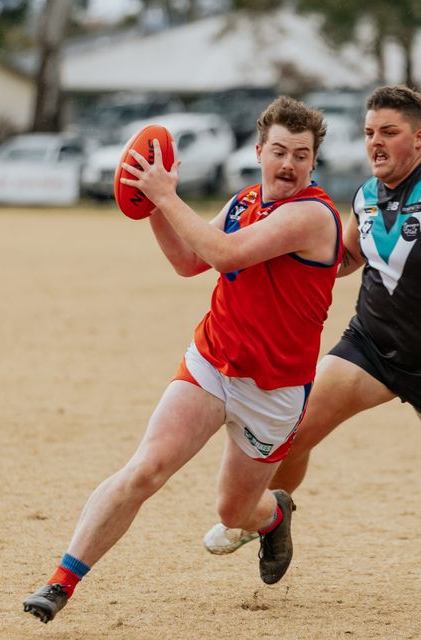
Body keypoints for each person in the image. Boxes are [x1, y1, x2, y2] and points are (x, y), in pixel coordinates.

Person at [203, 85, 421, 593]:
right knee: (290, 430)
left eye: (389, 132)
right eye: (368, 133)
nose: (376, 143)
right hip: (371, 347)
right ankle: (264, 516)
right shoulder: (365, 196)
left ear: (419, 137)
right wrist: (277, 263)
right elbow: (339, 261)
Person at [23, 96, 342, 623]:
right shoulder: (243, 202)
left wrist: (165, 195)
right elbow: (189, 260)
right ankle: (60, 582)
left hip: (275, 389)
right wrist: (152, 207)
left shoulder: (312, 215)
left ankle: (272, 516)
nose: (289, 164)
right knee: (145, 469)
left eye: (302, 155)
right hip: (213, 362)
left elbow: (226, 254)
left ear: (313, 162)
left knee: (233, 510)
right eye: (280, 151)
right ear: (259, 150)